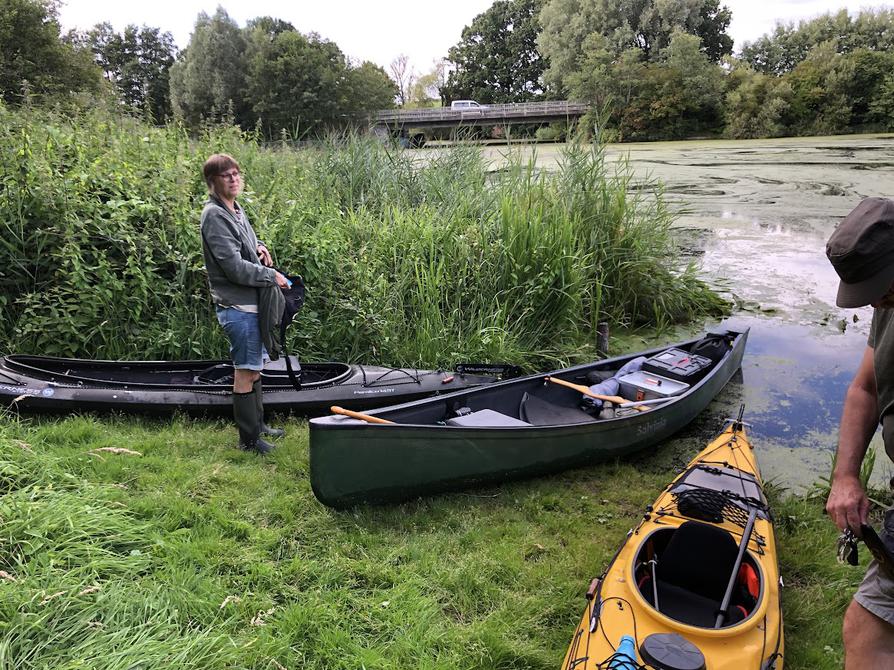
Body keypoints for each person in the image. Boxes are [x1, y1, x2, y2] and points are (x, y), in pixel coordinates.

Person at [825, 196, 894, 668]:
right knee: (865, 630)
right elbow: (865, 388)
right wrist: (846, 475)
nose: (874, 300)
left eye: (880, 288)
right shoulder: (889, 301)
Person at [199, 153, 290, 455]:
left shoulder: (235, 209)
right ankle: (249, 440)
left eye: (237, 173)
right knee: (245, 370)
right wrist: (271, 274)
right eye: (227, 175)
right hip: (237, 307)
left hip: (254, 304)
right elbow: (233, 267)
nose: (234, 179)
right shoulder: (214, 215)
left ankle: (259, 425)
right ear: (213, 182)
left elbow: (248, 243)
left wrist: (260, 247)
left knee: (256, 367)